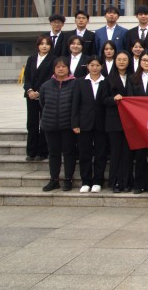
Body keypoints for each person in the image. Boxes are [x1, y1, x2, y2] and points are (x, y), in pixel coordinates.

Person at [71, 55, 110, 193]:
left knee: (100, 153)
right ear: (87, 66)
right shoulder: (80, 82)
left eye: (97, 65)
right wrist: (75, 123)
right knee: (84, 153)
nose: (94, 68)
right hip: (84, 123)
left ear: (102, 66)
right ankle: (86, 181)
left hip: (101, 123)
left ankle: (98, 181)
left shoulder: (106, 81)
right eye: (92, 65)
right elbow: (75, 104)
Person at [38, 57, 78, 192]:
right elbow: (42, 102)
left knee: (69, 152)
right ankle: (54, 179)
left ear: (68, 68)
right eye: (58, 67)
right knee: (53, 153)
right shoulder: (46, 85)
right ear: (54, 69)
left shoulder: (75, 84)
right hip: (50, 124)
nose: (61, 69)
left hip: (68, 125)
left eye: (64, 66)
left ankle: (68, 179)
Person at [127, 52, 148, 194]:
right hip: (138, 120)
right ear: (139, 62)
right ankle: (139, 184)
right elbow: (130, 97)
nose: (146, 62)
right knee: (140, 154)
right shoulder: (132, 78)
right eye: (144, 60)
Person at [23, 36, 54, 161]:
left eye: (47, 44)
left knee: (44, 123)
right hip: (30, 96)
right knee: (32, 123)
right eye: (42, 44)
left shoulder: (53, 59)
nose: (44, 46)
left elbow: (51, 77)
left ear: (51, 46)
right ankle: (31, 151)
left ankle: (42, 152)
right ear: (38, 46)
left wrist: (39, 92)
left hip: (45, 95)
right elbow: (27, 76)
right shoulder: (31, 59)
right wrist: (29, 90)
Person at [105, 51, 131, 191]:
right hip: (114, 121)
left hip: (130, 121)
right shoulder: (108, 79)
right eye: (119, 59)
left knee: (127, 153)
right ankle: (115, 182)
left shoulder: (133, 77)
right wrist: (113, 99)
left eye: (124, 59)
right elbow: (103, 99)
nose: (121, 62)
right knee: (116, 153)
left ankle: (126, 182)